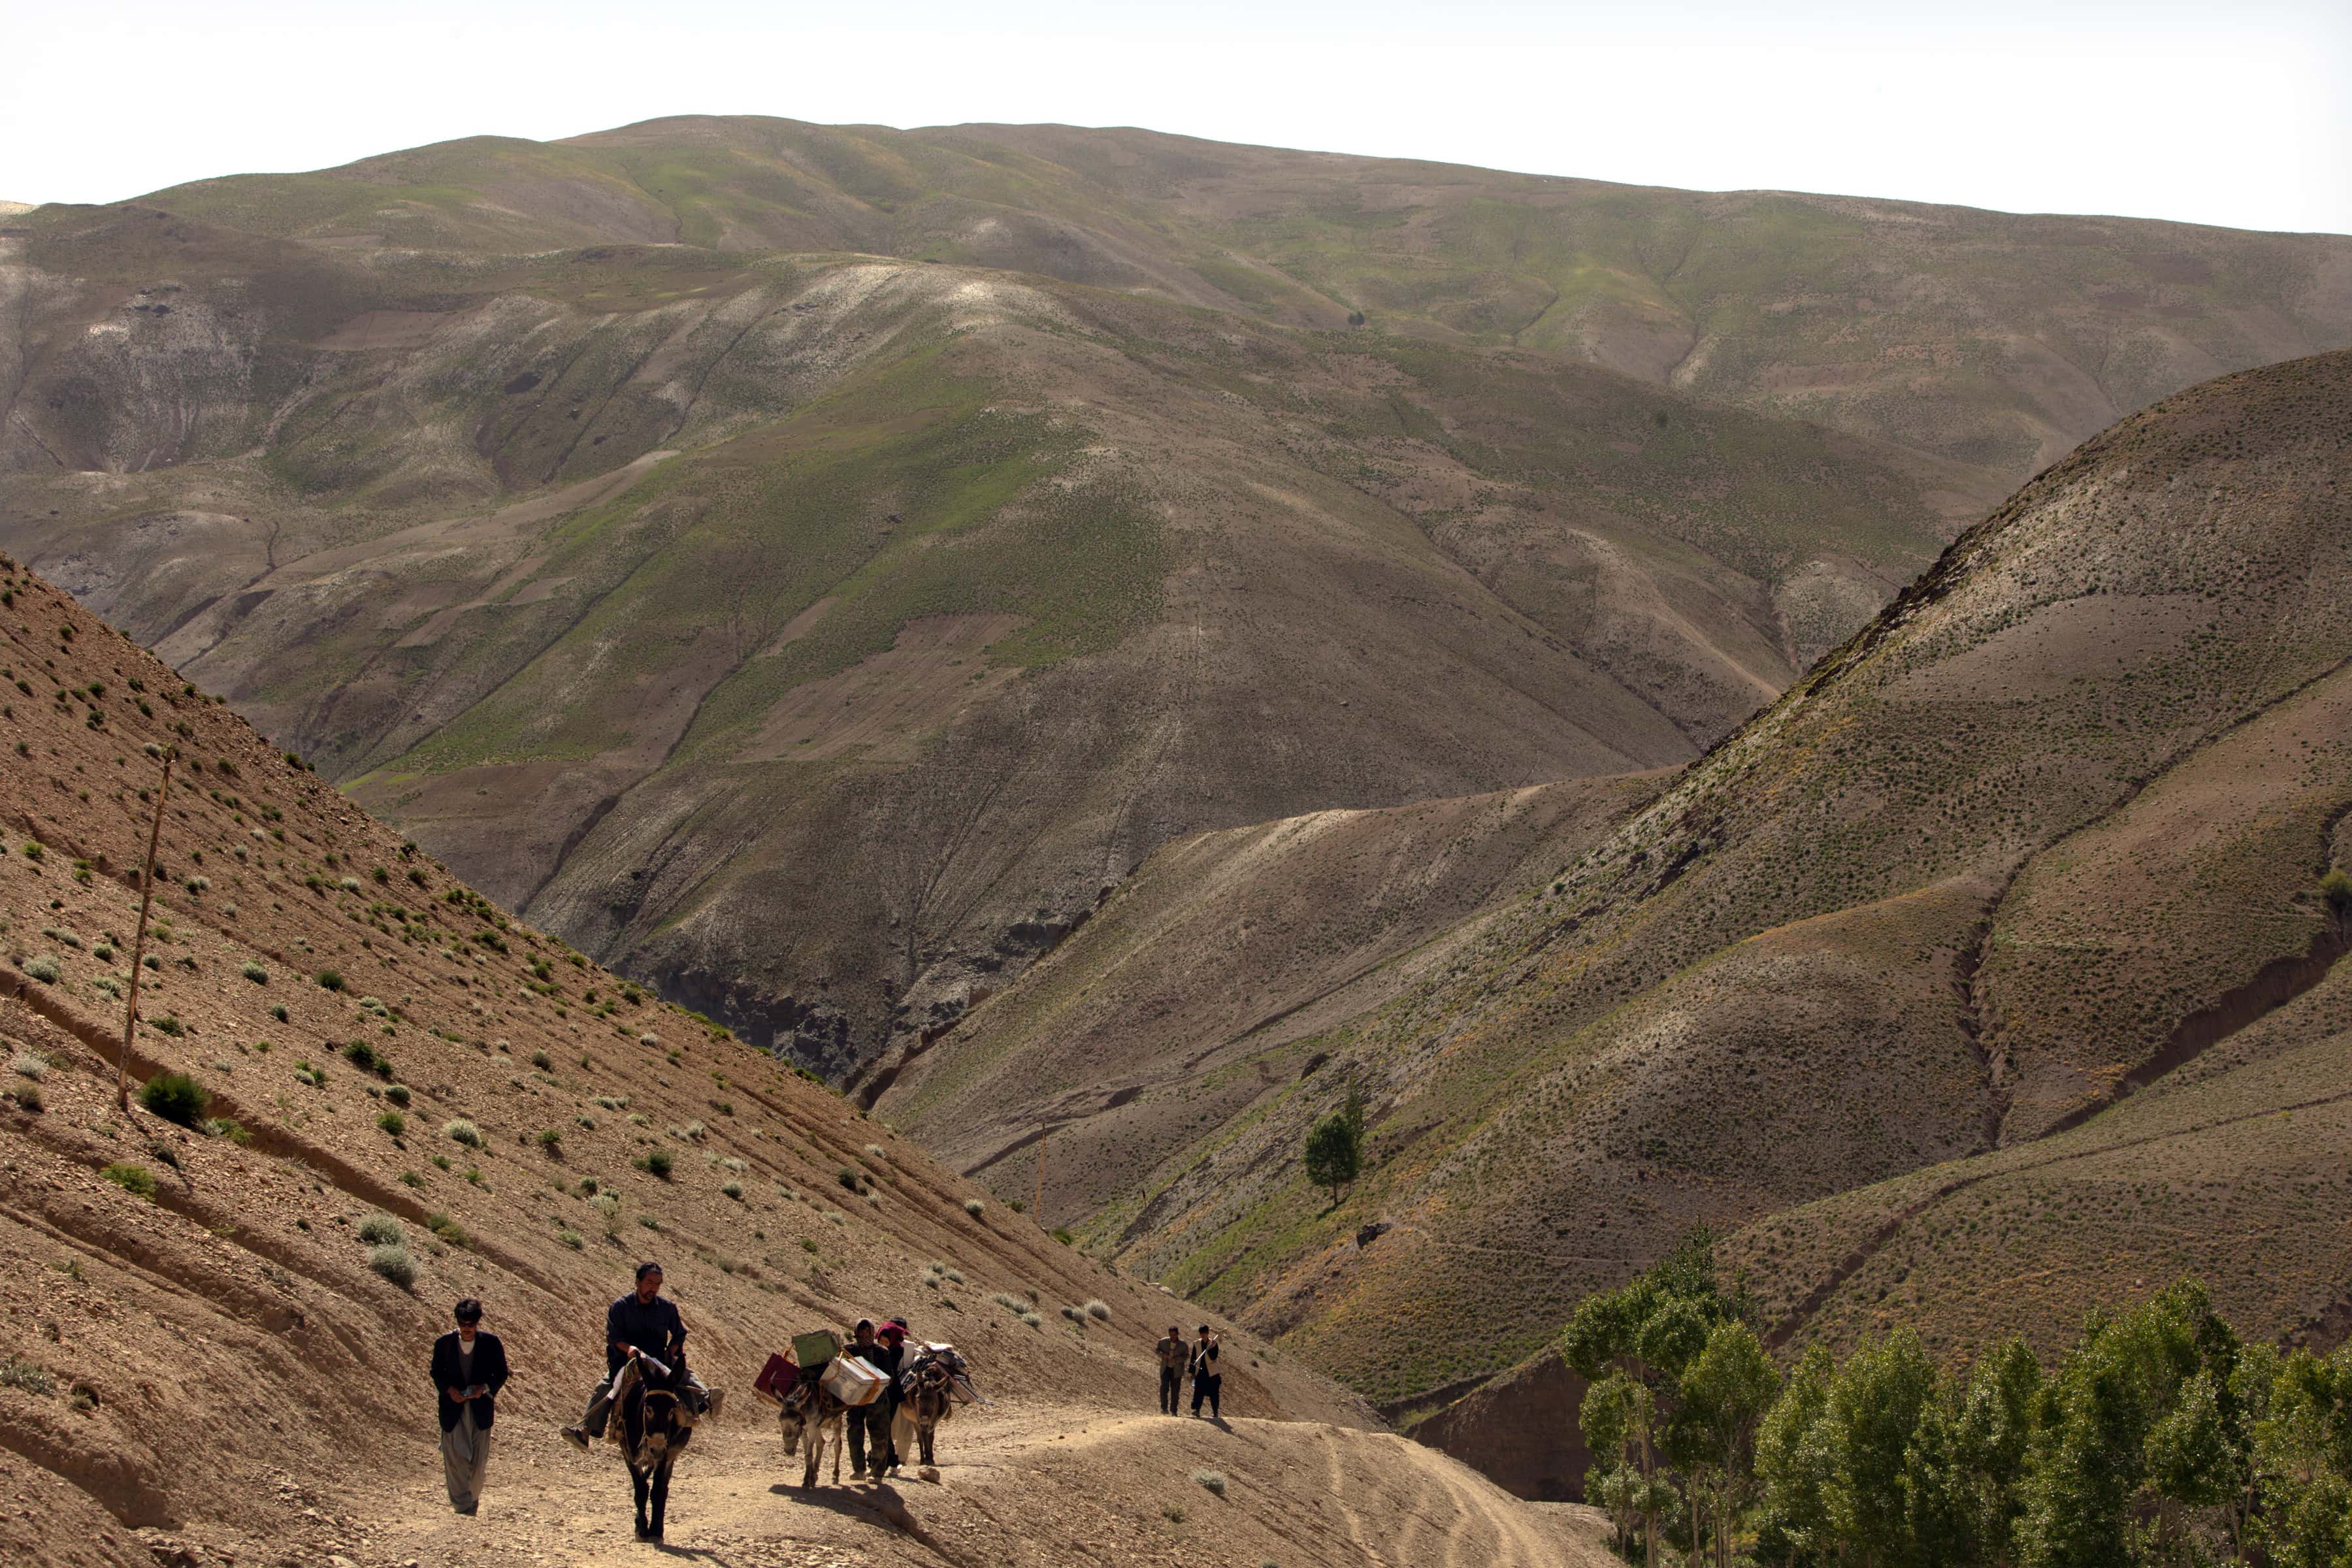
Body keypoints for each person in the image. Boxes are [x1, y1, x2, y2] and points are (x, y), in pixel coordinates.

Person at [561, 1262, 715, 1450]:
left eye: (658, 1284)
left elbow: (679, 1334)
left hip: (658, 1361)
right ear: (638, 1282)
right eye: (650, 1283)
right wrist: (629, 1349)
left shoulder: (667, 1308)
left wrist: (671, 1351)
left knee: (684, 1375)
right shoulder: (621, 1306)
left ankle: (707, 1398)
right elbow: (614, 1336)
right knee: (606, 1385)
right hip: (628, 1361)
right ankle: (585, 1430)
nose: (653, 1288)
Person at [431, 1298, 509, 1514]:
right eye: (463, 1324)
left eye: (471, 1325)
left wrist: (483, 1389)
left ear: (477, 1323)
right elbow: (436, 1374)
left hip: (480, 1410)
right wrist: (449, 1390)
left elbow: (501, 1373)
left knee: (477, 1461)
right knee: (455, 1459)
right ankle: (462, 1506)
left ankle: (472, 1499)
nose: (467, 1329)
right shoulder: (444, 1344)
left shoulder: (491, 1344)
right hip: (453, 1409)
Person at [853, 1320, 908, 1478]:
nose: (863, 1337)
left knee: (880, 1431)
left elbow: (888, 1375)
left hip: (885, 1395)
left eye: (887, 1340)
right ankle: (865, 1467)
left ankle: (882, 1467)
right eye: (860, 1333)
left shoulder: (887, 1352)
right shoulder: (856, 1350)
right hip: (863, 1396)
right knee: (863, 1431)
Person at [1188, 1324, 1222, 1420]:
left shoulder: (1214, 1344)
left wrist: (1211, 1348)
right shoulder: (1197, 1344)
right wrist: (1192, 1372)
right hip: (1201, 1371)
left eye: (1205, 1333)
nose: (1203, 1335)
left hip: (1212, 1372)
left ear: (1208, 1333)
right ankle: (1197, 1410)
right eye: (1202, 1333)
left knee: (1214, 1393)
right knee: (1198, 1391)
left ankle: (1215, 1412)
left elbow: (1214, 1357)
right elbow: (1194, 1358)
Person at [1155, 1325, 1188, 1416]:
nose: (1172, 1337)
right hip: (1165, 1369)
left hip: (1177, 1371)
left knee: (1175, 1391)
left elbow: (1186, 1356)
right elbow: (1157, 1351)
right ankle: (1164, 1409)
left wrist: (1177, 1360)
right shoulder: (1163, 1342)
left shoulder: (1183, 1345)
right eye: (1171, 1335)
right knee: (1164, 1388)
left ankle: (1174, 1411)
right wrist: (1163, 1355)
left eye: (1174, 1335)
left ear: (1178, 1334)